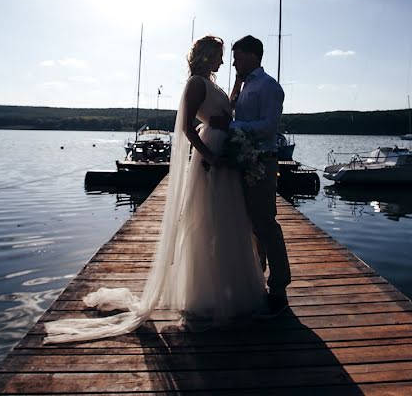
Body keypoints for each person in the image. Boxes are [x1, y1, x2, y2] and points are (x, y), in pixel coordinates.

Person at [43, 36, 266, 343]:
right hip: (213, 159)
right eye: (219, 56)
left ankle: (229, 289)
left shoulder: (211, 84)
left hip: (225, 155)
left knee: (229, 223)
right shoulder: (196, 84)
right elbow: (188, 128)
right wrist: (212, 156)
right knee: (209, 222)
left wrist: (238, 85)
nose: (223, 61)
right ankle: (208, 295)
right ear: (206, 56)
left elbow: (224, 110)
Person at [210, 35, 291, 314]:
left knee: (266, 223)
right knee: (250, 224)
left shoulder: (270, 87)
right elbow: (234, 114)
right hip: (242, 162)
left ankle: (279, 288)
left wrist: (231, 127)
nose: (234, 63)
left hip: (262, 163)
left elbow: (269, 127)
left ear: (254, 55)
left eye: (238, 57)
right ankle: (257, 275)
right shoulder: (244, 86)